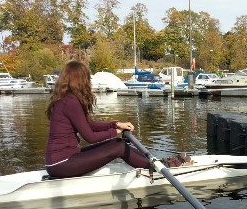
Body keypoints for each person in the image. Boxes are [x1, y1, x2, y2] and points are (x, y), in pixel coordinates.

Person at [45, 61, 189, 178]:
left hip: (65, 159)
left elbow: (90, 125)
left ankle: (152, 162)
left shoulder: (66, 99)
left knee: (118, 142)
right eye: (87, 78)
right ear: (81, 80)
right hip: (61, 163)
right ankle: (157, 167)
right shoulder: (71, 102)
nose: (89, 82)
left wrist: (116, 124)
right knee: (119, 147)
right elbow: (89, 136)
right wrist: (116, 131)